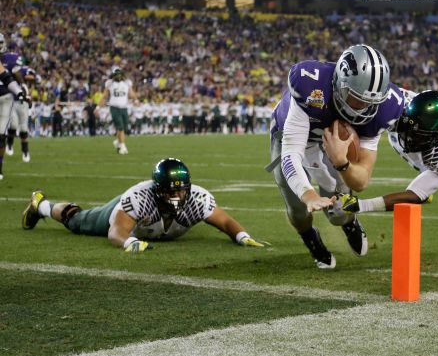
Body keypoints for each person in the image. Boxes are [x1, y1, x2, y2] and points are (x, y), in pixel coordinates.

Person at [269, 44, 404, 269]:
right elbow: (290, 156)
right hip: (288, 136)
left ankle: (349, 223)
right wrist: (309, 194)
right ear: (339, 85)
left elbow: (361, 181)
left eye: (371, 102)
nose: (363, 108)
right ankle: (310, 238)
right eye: (356, 99)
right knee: (297, 208)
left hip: (333, 142)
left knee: (340, 211)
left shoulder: (386, 107)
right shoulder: (311, 86)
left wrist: (342, 162)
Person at [21, 158, 269, 252]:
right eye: (172, 189)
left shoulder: (198, 198)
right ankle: (41, 205)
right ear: (158, 189)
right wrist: (129, 243)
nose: (179, 194)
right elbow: (116, 232)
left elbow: (224, 221)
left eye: (182, 188)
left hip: (150, 228)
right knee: (78, 221)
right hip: (119, 213)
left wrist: (242, 236)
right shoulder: (139, 198)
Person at [0, 33, 32, 180]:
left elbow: (6, 78)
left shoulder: (8, 61)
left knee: (1, 135)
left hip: (6, 98)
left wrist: (20, 92)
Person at [97, 66, 135, 154]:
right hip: (114, 107)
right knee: (120, 127)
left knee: (125, 128)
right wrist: (98, 107)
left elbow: (132, 95)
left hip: (124, 108)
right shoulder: (109, 83)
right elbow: (105, 96)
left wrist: (134, 98)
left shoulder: (127, 83)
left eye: (119, 74)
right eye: (116, 74)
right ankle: (122, 146)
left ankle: (118, 142)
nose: (118, 76)